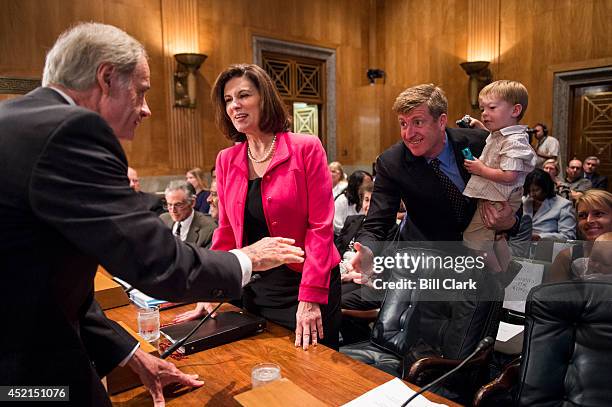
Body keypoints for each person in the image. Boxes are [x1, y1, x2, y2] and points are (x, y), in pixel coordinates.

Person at [0, 23, 304, 407]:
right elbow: (156, 260)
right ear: (106, 78)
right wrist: (249, 258)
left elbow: (44, 279)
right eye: (141, 91)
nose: (147, 109)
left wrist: (129, 354)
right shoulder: (70, 130)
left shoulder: (17, 121)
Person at [175, 64, 341, 350]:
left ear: (264, 98)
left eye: (243, 95)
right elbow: (226, 232)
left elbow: (321, 229)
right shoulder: (227, 159)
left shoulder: (306, 147)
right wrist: (211, 290)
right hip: (256, 287)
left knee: (314, 378)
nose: (235, 105)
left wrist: (311, 297)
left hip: (307, 284)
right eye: (228, 100)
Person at [461, 80, 536, 270]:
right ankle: (509, 267)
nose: (485, 113)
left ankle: (498, 275)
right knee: (496, 237)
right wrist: (480, 127)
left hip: (500, 195)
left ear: (515, 110)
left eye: (492, 107)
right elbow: (494, 141)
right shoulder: (503, 134)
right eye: (482, 109)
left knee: (475, 239)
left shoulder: (515, 141)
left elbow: (509, 175)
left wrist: (481, 169)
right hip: (498, 194)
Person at [548, 190, 612, 282]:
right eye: (583, 216)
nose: (589, 220)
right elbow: (553, 295)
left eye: (598, 214)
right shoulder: (566, 257)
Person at [522, 169, 576, 241]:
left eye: (536, 190)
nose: (532, 194)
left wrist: (540, 237)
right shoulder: (524, 201)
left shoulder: (563, 205)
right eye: (529, 191)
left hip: (547, 248)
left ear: (546, 188)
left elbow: (568, 236)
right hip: (521, 247)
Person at [159, 181, 216, 248]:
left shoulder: (209, 229)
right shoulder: (163, 220)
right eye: (169, 204)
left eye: (178, 205)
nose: (173, 210)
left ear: (192, 203)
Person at [333, 170, 373, 234]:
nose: (369, 187)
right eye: (367, 184)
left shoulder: (370, 200)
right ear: (356, 185)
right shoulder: (342, 200)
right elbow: (337, 227)